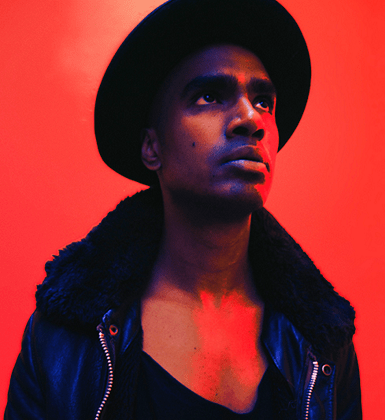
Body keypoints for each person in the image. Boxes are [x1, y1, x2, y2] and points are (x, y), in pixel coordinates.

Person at [4, 0, 361, 419]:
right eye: (210, 96)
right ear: (152, 147)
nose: (251, 118)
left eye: (264, 101)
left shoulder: (323, 344)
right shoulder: (66, 337)